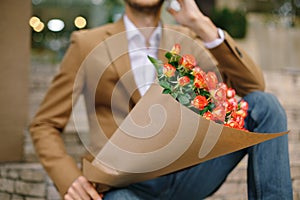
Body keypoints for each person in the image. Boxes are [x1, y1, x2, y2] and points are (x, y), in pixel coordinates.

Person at [29, 0, 293, 199]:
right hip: (124, 185)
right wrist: (70, 180)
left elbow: (252, 87)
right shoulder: (87, 43)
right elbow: (44, 124)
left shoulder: (187, 39)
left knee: (265, 105)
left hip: (187, 173)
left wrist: (199, 22)